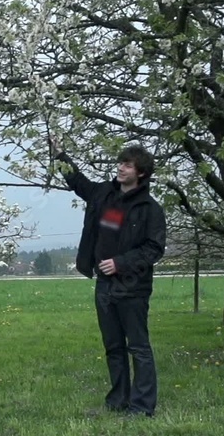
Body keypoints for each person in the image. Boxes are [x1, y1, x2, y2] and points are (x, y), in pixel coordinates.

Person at [49, 138, 167, 417]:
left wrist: (121, 263)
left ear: (141, 173)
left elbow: (154, 248)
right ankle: (118, 400)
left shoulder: (150, 209)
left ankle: (142, 406)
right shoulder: (104, 194)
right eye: (120, 163)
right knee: (113, 346)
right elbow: (78, 182)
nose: (121, 168)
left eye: (128, 165)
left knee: (138, 347)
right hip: (104, 285)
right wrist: (59, 155)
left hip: (133, 287)